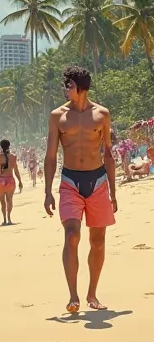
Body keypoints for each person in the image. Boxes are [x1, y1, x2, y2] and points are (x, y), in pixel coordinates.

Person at [44, 64, 117, 314]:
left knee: (97, 242)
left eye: (70, 85)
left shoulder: (102, 114)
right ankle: (73, 296)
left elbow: (108, 153)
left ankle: (92, 294)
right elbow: (51, 156)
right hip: (70, 182)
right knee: (71, 235)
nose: (66, 89)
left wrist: (113, 192)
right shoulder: (58, 116)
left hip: (98, 182)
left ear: (81, 88)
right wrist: (47, 191)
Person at [0, 139, 23, 225]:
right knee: (9, 200)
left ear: (1, 147)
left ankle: (4, 220)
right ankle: (9, 219)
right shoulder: (13, 157)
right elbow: (16, 171)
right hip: (10, 180)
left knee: (2, 202)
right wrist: (20, 181)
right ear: (9, 146)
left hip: (0, 181)